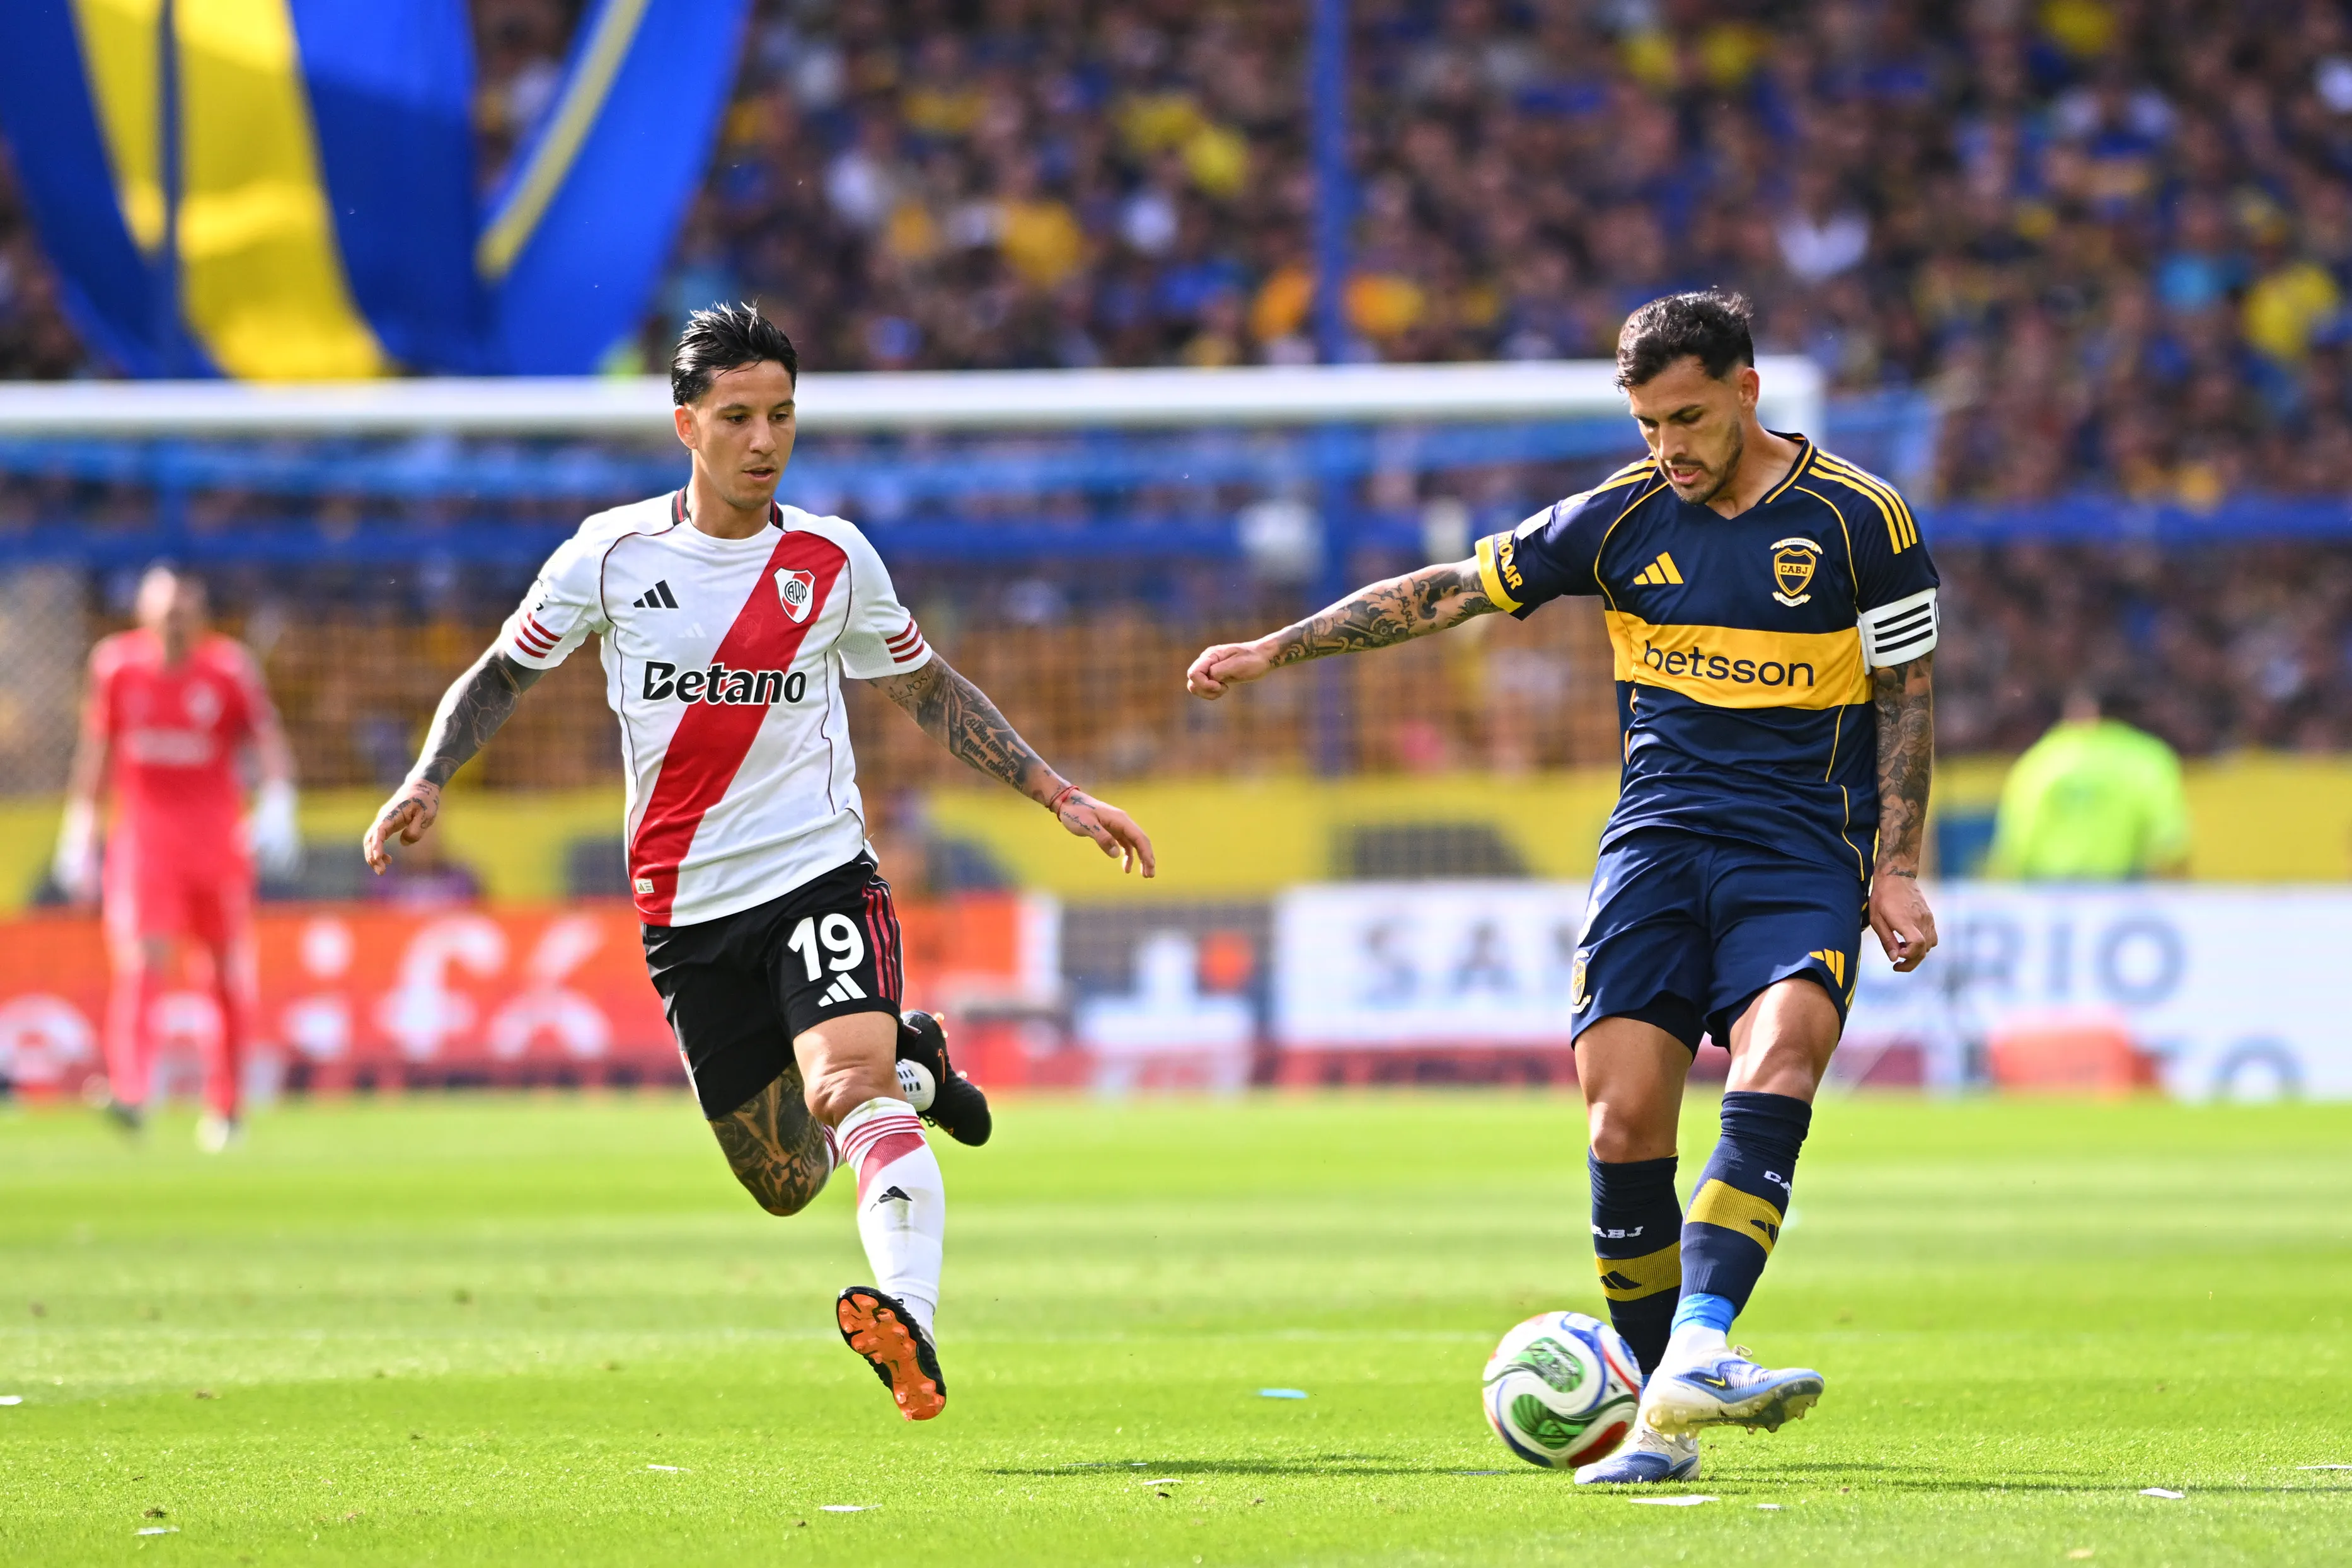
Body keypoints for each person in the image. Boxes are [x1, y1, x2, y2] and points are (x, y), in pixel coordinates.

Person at [1186, 291, 1940, 1484]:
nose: (1669, 448)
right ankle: (1657, 1417)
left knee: (1782, 1045)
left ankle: (1700, 1340)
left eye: (1687, 418)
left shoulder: (1860, 520)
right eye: (1647, 425)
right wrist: (1277, 648)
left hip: (1801, 850)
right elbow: (1445, 590)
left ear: (1747, 391)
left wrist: (1895, 864)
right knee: (1620, 1121)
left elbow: (1904, 692)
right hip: (1655, 844)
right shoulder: (1620, 519)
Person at [362, 303, 1153, 1424]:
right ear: (685, 423)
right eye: (737, 416)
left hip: (821, 875)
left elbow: (925, 686)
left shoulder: (829, 559)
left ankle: (910, 1316)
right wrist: (428, 774)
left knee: (845, 1090)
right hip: (687, 914)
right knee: (785, 1179)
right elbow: (501, 672)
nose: (763, 438)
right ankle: (920, 1065)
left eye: (781, 414)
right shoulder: (612, 554)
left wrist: (1057, 792)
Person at [54, 564, 301, 1152]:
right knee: (142, 963)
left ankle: (227, 1108)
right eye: (166, 614)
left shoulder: (229, 669)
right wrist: (80, 826)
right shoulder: (116, 667)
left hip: (216, 845)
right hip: (145, 845)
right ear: (144, 614)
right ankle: (135, 1093)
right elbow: (98, 750)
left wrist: (279, 802)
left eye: (185, 615)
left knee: (222, 974)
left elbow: (268, 742)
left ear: (202, 618)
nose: (175, 625)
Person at [1986, 687, 2190, 879]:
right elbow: (2170, 844)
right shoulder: (2147, 758)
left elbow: (2017, 840)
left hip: (2049, 891)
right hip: (2120, 890)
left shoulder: (2042, 759)